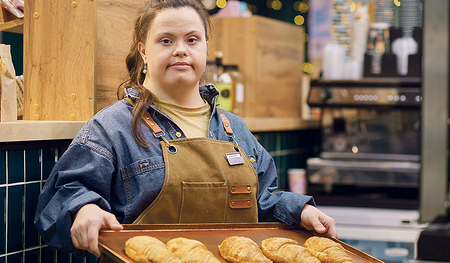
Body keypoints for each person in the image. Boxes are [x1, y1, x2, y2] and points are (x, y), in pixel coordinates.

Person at [34, 0, 336, 259]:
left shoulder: (236, 129)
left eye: (192, 39)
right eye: (166, 40)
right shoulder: (111, 127)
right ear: (143, 51)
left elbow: (263, 202)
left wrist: (300, 211)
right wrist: (83, 209)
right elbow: (62, 197)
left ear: (205, 46)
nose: (181, 50)